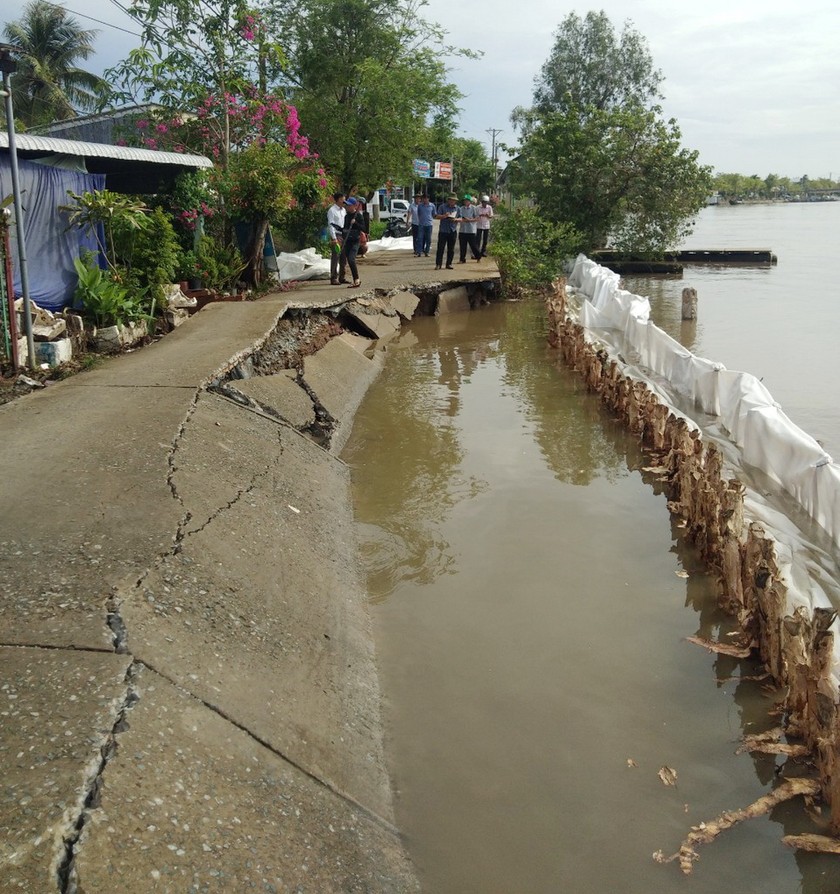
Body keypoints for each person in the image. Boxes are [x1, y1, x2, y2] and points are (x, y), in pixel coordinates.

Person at [339, 197, 364, 288]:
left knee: (351, 259)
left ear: (354, 206)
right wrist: (342, 233)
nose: (347, 206)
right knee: (348, 260)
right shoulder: (346, 216)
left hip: (355, 241)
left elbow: (364, 228)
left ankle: (357, 279)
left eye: (349, 205)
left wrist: (356, 223)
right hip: (347, 240)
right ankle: (355, 279)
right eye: (346, 205)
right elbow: (345, 228)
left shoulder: (358, 216)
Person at [434, 193, 460, 270]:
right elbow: (436, 216)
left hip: (453, 230)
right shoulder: (442, 207)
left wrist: (455, 219)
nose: (452, 201)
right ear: (448, 200)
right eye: (451, 200)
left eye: (454, 200)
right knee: (440, 248)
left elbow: (461, 218)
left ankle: (449, 264)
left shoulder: (457, 208)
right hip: (443, 230)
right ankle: (438, 264)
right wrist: (444, 216)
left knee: (451, 249)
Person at [326, 191, 346, 285]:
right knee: (335, 256)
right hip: (337, 235)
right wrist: (334, 238)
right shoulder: (332, 210)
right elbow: (331, 225)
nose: (344, 200)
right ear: (338, 200)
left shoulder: (343, 210)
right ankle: (334, 277)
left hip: (344, 234)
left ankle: (342, 277)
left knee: (343, 257)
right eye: (342, 199)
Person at [457, 194, 481, 263]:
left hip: (471, 230)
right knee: (462, 246)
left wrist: (470, 220)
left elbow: (477, 218)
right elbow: (459, 217)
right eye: (464, 200)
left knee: (473, 245)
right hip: (463, 230)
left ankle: (478, 256)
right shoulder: (461, 208)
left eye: (467, 200)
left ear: (470, 201)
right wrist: (461, 219)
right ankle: (462, 259)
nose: (465, 202)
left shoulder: (474, 208)